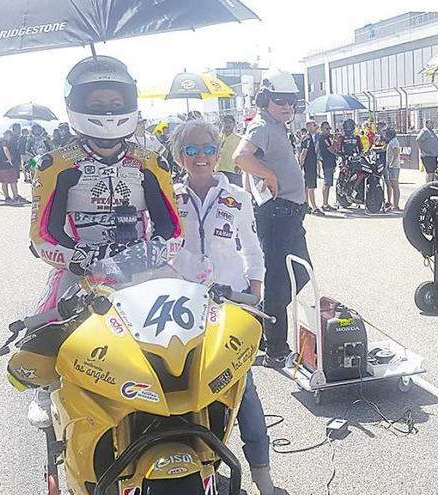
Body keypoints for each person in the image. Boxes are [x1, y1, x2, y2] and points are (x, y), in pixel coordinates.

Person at [26, 55, 183, 426]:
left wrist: (158, 251)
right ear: (76, 105)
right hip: (81, 265)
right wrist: (72, 257)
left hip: (143, 262)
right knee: (45, 316)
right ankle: (44, 390)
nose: (108, 111)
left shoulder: (152, 162)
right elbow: (41, 234)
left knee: (196, 311)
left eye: (115, 103)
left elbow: (173, 226)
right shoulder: (54, 164)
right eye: (97, 104)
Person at [169, 119, 283, 495]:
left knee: (242, 388)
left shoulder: (238, 195)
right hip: (183, 306)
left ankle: (263, 478)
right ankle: (203, 469)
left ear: (218, 154)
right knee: (189, 390)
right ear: (180, 155)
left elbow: (252, 247)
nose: (200, 157)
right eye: (191, 150)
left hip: (231, 302)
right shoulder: (170, 197)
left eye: (207, 149)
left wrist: (254, 292)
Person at [233, 69, 311, 367]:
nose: (287, 106)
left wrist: (252, 192)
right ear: (265, 100)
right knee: (280, 281)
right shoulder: (263, 125)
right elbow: (241, 157)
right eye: (280, 100)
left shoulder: (276, 126)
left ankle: (261, 326)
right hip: (278, 214)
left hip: (287, 214)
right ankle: (276, 348)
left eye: (291, 101)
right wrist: (267, 176)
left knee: (300, 274)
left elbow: (245, 168)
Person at [299, 120, 322, 215]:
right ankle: (314, 207)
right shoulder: (307, 139)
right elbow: (304, 152)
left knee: (307, 186)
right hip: (309, 165)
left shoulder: (311, 138)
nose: (316, 127)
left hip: (311, 164)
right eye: (314, 125)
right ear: (308, 126)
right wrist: (301, 164)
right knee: (311, 186)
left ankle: (306, 204)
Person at [0, 129, 25, 204]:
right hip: (7, 165)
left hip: (0, 165)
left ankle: (7, 197)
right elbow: (5, 149)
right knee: (13, 181)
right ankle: (15, 196)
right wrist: (10, 160)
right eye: (10, 136)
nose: (10, 138)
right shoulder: (5, 142)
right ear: (7, 135)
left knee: (4, 182)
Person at [216, 114, 243, 186]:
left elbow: (244, 154)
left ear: (234, 124)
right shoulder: (216, 139)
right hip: (218, 171)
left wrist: (240, 166)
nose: (227, 124)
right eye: (225, 121)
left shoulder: (239, 139)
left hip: (233, 172)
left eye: (230, 122)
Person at [317, 121, 338, 211]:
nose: (329, 130)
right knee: (327, 183)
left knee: (329, 184)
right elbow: (331, 149)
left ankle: (326, 203)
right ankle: (324, 204)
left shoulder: (328, 138)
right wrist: (335, 144)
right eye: (327, 128)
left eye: (329, 128)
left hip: (331, 162)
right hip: (327, 163)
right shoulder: (323, 138)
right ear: (322, 129)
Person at [415, 119, 438, 183]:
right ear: (426, 124)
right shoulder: (425, 131)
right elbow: (418, 140)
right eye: (431, 123)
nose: (432, 124)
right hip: (428, 156)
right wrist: (422, 150)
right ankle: (428, 186)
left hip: (433, 156)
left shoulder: (432, 132)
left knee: (433, 173)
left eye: (433, 123)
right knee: (430, 172)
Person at [384, 127, 402, 210]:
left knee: (395, 186)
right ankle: (394, 204)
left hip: (393, 167)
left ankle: (396, 205)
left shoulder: (394, 142)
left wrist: (391, 163)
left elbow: (396, 152)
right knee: (392, 185)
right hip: (392, 166)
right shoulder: (392, 141)